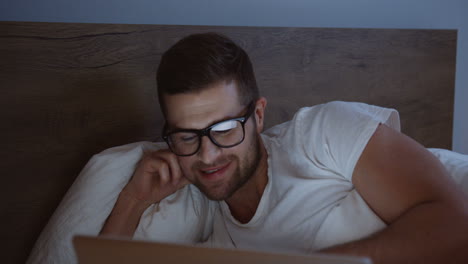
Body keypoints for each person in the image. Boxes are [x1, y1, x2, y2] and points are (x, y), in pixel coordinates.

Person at [100, 33, 468, 263]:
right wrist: (133, 200)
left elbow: (457, 226)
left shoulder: (321, 134)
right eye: (186, 136)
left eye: (225, 129)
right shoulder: (218, 240)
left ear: (258, 115)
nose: (207, 155)